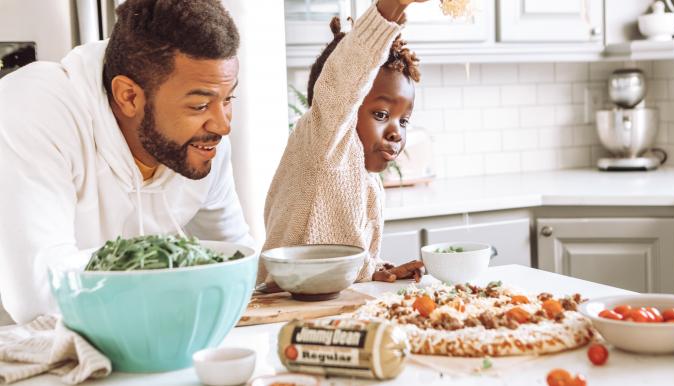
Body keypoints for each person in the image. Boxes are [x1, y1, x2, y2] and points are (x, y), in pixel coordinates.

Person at [0, 0, 252, 324]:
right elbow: (42, 300)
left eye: (228, 98)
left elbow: (237, 264)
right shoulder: (34, 110)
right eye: (200, 105)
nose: (222, 125)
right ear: (129, 97)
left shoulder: (200, 144)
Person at [263, 0, 427, 284]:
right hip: (281, 305)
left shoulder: (368, 182)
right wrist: (393, 5)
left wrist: (376, 270)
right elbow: (345, 76)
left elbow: (343, 263)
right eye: (381, 114)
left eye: (403, 120)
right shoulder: (324, 142)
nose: (396, 133)